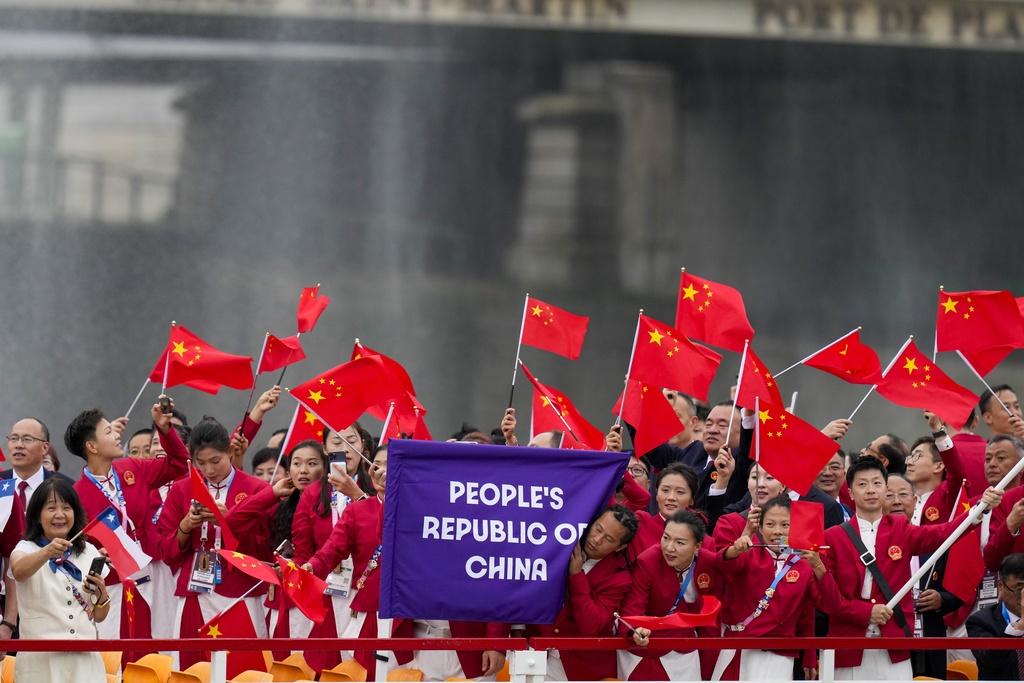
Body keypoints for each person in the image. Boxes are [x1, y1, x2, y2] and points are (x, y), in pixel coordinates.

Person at [820, 458, 1003, 680]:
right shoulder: (832, 537)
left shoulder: (900, 528)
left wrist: (979, 509)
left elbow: (943, 533)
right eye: (862, 484)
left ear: (885, 488)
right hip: (848, 646)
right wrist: (867, 612)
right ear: (850, 492)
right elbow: (827, 599)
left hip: (894, 646)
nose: (870, 490)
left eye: (877, 483)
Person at [154, 417, 272, 670]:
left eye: (216, 461)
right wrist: (186, 526)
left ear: (230, 452)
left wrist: (230, 521)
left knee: (244, 670)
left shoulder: (257, 489)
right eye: (201, 462)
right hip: (196, 589)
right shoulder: (182, 489)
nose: (209, 470)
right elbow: (166, 551)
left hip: (241, 591)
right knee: (192, 668)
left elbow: (265, 550)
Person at [67, 402, 188, 644]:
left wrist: (165, 430)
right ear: (92, 446)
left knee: (165, 643)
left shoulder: (132, 468)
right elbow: (73, 548)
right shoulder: (76, 495)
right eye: (108, 432)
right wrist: (94, 554)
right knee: (117, 647)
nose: (116, 436)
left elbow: (178, 463)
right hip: (114, 581)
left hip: (153, 569)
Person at [713, 495, 831, 680]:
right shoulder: (749, 552)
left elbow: (812, 611)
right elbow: (724, 566)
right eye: (770, 524)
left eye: (785, 525)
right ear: (760, 528)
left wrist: (809, 657)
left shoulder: (804, 564)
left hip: (780, 654)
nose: (777, 531)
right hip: (740, 647)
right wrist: (737, 547)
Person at [9, 478, 110, 682]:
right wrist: (47, 552)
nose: (60, 515)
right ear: (37, 515)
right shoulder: (25, 548)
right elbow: (18, 571)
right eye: (51, 508)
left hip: (84, 662)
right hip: (40, 664)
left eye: (66, 508)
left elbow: (99, 616)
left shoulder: (89, 551)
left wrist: (102, 595)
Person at [526, 505, 638, 680]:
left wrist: (577, 576)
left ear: (620, 547)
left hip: (580, 666)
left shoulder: (619, 579)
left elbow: (591, 625)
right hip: (537, 652)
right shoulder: (562, 542)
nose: (597, 539)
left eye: (608, 539)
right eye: (598, 529)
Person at [618, 510, 727, 681]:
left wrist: (709, 657)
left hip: (686, 647)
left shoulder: (708, 563)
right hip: (647, 645)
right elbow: (633, 606)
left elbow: (710, 617)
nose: (669, 547)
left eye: (680, 542)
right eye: (666, 538)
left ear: (697, 546)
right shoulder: (648, 562)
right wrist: (635, 630)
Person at [292, 440, 371, 672]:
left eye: (351, 441)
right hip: (327, 585)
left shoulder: (375, 488)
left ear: (363, 448)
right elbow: (303, 548)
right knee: (327, 663)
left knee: (360, 664)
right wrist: (302, 567)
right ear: (327, 450)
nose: (345, 448)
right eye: (337, 441)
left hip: (364, 587)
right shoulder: (314, 492)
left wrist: (357, 495)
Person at [966, 552, 1024, 680]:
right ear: (1001, 586)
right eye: (1019, 587)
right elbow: (991, 659)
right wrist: (1019, 627)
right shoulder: (980, 621)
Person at [628, 463, 699, 561]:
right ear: (656, 493)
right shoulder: (640, 523)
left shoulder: (700, 537)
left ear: (692, 499)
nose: (671, 497)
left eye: (680, 492)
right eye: (665, 490)